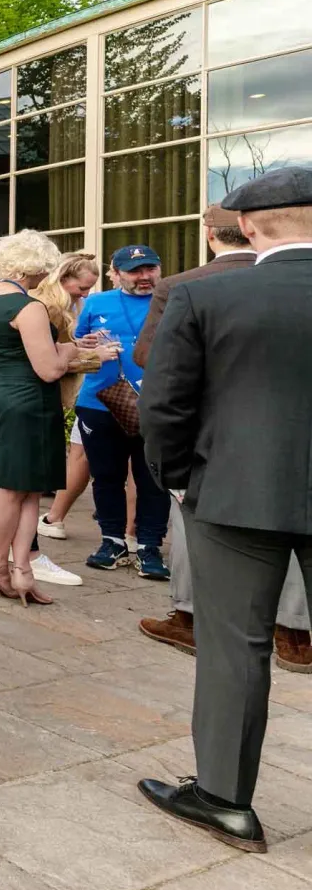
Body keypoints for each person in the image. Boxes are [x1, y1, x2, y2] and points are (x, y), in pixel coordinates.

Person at [137, 166, 312, 854]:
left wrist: (180, 482)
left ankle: (226, 799)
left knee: (235, 650)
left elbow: (165, 406)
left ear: (245, 226)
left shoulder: (205, 297)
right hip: (238, 492)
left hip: (234, 495)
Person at [136, 208, 309, 668]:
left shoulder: (183, 286)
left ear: (211, 234)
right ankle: (295, 635)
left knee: (198, 538)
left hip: (214, 446)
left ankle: (191, 620)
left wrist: (170, 471)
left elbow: (153, 361)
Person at [0, 231, 91, 606]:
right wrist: (73, 353)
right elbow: (50, 369)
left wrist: (65, 348)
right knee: (10, 487)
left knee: (27, 486)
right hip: (29, 401)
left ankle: (21, 569)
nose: (46, 276)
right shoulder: (28, 306)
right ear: (34, 267)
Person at [75, 244, 172, 579]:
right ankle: (112, 541)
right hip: (100, 403)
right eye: (135, 271)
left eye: (150, 268)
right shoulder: (95, 302)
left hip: (158, 404)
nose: (144, 277)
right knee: (106, 477)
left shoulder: (176, 299)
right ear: (114, 274)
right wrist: (88, 346)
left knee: (153, 479)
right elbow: (77, 348)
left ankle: (149, 547)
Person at [38, 252, 103, 541]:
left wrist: (78, 344)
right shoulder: (49, 307)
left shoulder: (66, 303)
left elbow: (62, 346)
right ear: (63, 279)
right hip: (44, 393)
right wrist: (93, 356)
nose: (86, 294)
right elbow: (49, 361)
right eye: (82, 288)